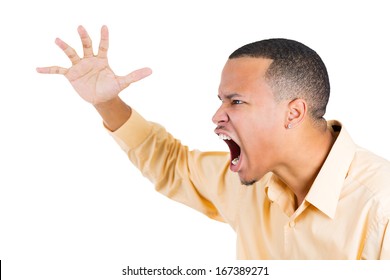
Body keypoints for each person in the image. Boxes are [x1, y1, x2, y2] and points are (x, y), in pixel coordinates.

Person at [37, 25, 390, 259]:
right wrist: (105, 102)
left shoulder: (380, 206)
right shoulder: (250, 181)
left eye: (236, 101)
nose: (217, 115)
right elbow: (172, 164)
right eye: (221, 100)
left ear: (293, 113)